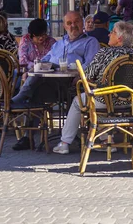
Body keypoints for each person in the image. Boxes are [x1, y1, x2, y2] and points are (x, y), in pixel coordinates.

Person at [11, 10, 99, 150]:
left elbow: (91, 64)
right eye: (69, 23)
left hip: (73, 86)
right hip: (52, 84)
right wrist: (35, 68)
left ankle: (20, 98)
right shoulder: (59, 43)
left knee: (35, 84)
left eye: (76, 22)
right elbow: (46, 59)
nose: (73, 26)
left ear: (82, 23)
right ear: (64, 26)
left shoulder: (90, 42)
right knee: (36, 83)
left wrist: (78, 73)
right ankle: (28, 137)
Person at [53, 21, 133, 155]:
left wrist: (90, 80)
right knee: (92, 97)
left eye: (113, 32)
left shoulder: (105, 52)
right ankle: (105, 140)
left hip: (105, 99)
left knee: (78, 101)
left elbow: (87, 75)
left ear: (120, 38)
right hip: (130, 100)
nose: (109, 34)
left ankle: (64, 143)